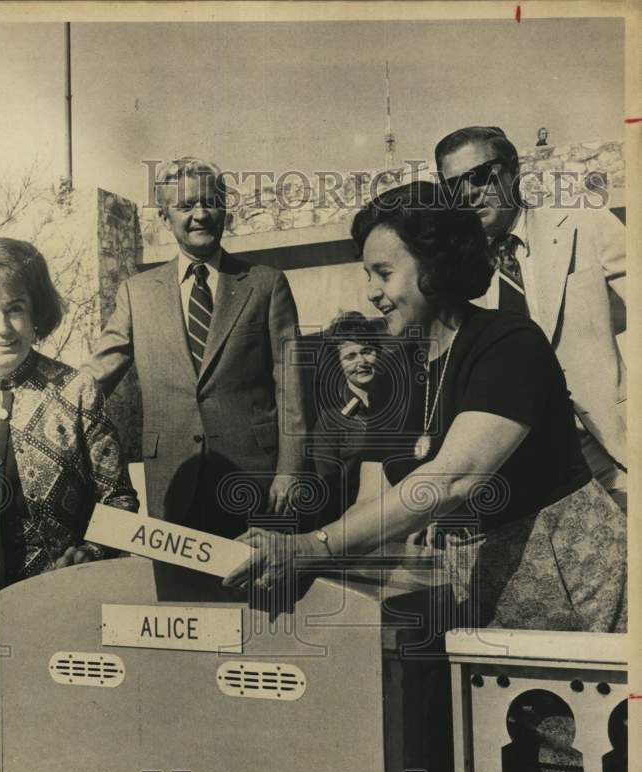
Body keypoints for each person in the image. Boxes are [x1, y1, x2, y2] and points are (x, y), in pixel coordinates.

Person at [224, 182, 627, 634]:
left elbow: (452, 479)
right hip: (476, 588)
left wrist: (314, 546)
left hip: (571, 577)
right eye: (368, 276)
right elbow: (371, 501)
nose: (372, 293)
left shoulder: (508, 343)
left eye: (384, 273)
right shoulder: (398, 374)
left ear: (436, 267)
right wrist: (299, 551)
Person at [0, 238, 139, 772]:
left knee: (76, 771)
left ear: (36, 313)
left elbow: (120, 503)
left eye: (16, 309)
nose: (3, 328)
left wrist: (86, 560)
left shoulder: (76, 391)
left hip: (75, 616)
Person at [83, 157, 311, 542]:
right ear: (165, 218)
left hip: (254, 477)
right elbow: (99, 372)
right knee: (178, 594)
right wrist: (41, 398)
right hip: (172, 477)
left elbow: (291, 387)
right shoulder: (136, 293)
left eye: (210, 202)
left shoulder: (266, 284)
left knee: (257, 589)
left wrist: (290, 469)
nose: (200, 215)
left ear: (225, 209)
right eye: (186, 206)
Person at [434, 125, 627, 508]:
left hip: (618, 441)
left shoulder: (582, 223)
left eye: (479, 177)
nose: (469, 193)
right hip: (540, 472)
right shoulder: (459, 277)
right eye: (454, 185)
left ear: (512, 169)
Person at [311, 311, 397, 524]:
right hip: (358, 523)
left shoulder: (400, 403)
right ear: (337, 365)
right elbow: (328, 494)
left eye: (367, 351)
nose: (362, 361)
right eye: (350, 356)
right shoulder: (330, 421)